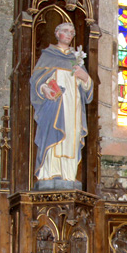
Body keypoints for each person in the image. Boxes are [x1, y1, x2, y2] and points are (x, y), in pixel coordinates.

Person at [30, 22, 93, 188]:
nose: (69, 35)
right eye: (65, 31)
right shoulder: (48, 56)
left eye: (72, 32)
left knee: (71, 137)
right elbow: (36, 81)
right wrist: (44, 88)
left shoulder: (76, 58)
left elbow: (87, 89)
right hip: (55, 105)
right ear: (57, 33)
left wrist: (85, 78)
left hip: (74, 107)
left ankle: (68, 176)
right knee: (53, 137)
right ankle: (49, 174)